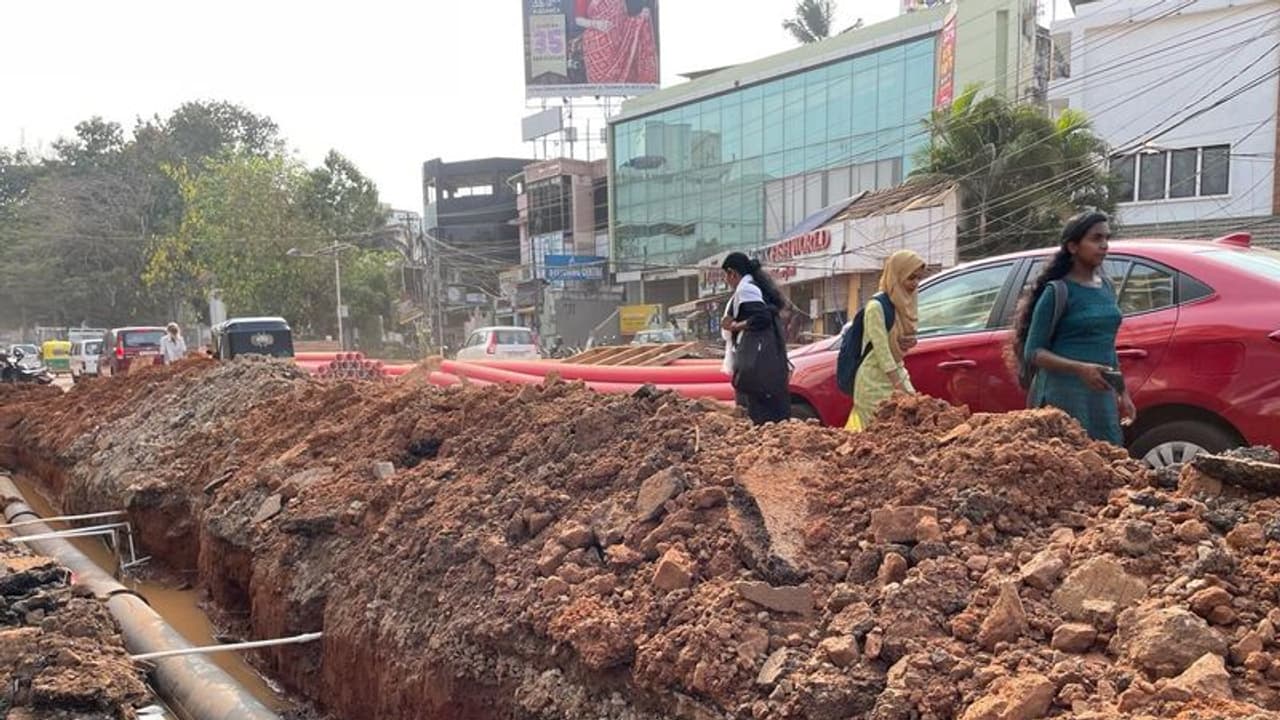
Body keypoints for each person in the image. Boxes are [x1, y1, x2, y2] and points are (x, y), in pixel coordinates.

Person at [1012, 211, 1136, 445]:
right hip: (1064, 396)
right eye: (1096, 239)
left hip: (1101, 397)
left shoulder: (1107, 287)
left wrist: (1123, 393)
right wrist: (1080, 368)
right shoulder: (1057, 291)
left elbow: (1107, 346)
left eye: (1106, 238)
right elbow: (1033, 352)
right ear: (1072, 246)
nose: (1104, 245)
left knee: (1106, 463)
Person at [846, 250, 927, 431]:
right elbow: (882, 351)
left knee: (911, 426)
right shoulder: (876, 307)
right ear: (897, 275)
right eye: (910, 278)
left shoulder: (903, 301)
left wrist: (906, 343)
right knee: (879, 434)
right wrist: (898, 387)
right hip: (873, 381)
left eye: (918, 278)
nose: (915, 283)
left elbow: (896, 344)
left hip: (897, 370)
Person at [720, 252, 791, 425]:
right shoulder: (755, 285)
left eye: (726, 276)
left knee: (755, 414)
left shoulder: (746, 289)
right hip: (767, 361)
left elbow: (761, 318)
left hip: (754, 365)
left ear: (733, 273)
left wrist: (735, 326)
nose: (726, 281)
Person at [574, 0, 659, 86]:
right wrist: (597, 24)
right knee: (601, 87)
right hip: (597, 45)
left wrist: (641, 17)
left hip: (621, 39)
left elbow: (624, 17)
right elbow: (578, 20)